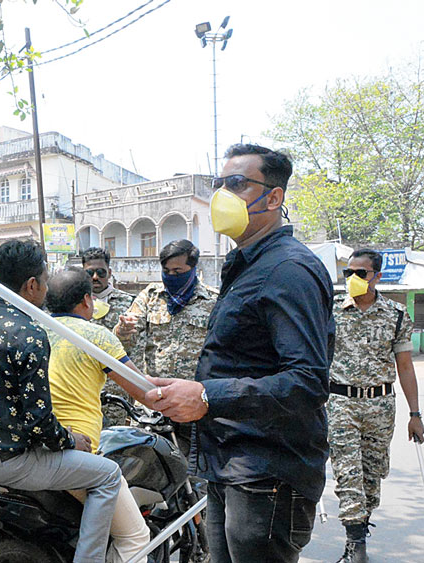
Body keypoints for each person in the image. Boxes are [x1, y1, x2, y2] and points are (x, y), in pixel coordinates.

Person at [142, 144, 335, 563]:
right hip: (231, 463)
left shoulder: (288, 270)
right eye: (219, 184)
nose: (222, 196)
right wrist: (184, 391)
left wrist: (209, 396)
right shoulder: (248, 265)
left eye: (237, 184)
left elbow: (306, 380)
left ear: (274, 197)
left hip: (268, 471)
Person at [0, 239, 122, 563]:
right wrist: (72, 440)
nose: (47, 289)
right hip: (8, 465)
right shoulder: (28, 332)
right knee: (107, 475)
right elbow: (39, 423)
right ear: (32, 285)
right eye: (46, 281)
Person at [44, 268, 151, 563]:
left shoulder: (34, 329)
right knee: (135, 537)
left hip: (35, 452)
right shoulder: (96, 336)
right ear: (87, 301)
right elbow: (144, 391)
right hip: (77, 454)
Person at [328, 249, 423, 563]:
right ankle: (355, 546)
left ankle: (361, 528)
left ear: (377, 276)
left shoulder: (395, 314)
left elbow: (406, 367)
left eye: (361, 273)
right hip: (341, 402)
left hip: (380, 406)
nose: (353, 278)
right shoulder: (331, 311)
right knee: (347, 473)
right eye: (348, 273)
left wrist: (415, 414)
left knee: (372, 476)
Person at [114, 240, 217, 455]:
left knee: (194, 470)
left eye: (178, 271)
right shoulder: (151, 296)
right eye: (166, 270)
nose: (171, 276)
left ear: (192, 269)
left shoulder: (212, 300)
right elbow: (126, 338)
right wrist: (123, 330)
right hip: (155, 401)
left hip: (191, 402)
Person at [81, 247, 136, 426]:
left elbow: (138, 348)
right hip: (83, 388)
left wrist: (124, 334)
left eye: (101, 272)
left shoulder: (128, 302)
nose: (95, 277)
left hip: (116, 392)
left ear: (109, 273)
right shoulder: (73, 302)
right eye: (90, 272)